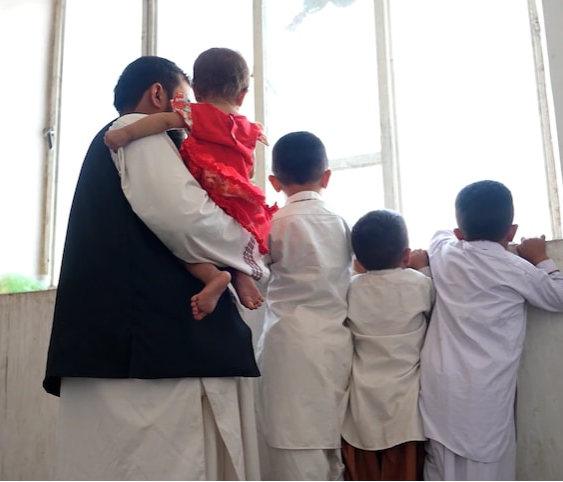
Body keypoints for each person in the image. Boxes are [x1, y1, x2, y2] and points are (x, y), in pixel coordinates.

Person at [42, 56, 264, 480]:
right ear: (158, 94)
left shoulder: (127, 140)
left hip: (130, 355)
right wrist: (253, 248)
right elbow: (185, 217)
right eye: (185, 94)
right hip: (150, 358)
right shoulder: (135, 136)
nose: (191, 108)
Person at [419, 180, 563, 481]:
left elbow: (437, 236)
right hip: (483, 405)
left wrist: (455, 236)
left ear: (459, 233)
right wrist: (540, 256)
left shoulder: (447, 253)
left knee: (438, 470)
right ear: (512, 232)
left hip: (438, 398)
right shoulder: (515, 268)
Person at [104, 47, 275, 320]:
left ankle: (221, 274)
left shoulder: (191, 118)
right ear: (158, 94)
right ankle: (239, 272)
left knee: (187, 252)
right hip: (240, 199)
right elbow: (184, 220)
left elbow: (182, 226)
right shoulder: (247, 128)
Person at [255, 131, 353, 480]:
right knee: (333, 455)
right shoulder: (342, 224)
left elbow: (255, 272)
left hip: (287, 350)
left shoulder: (273, 224)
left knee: (290, 454)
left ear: (273, 181)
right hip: (335, 349)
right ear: (326, 177)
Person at [341, 209, 434, 481]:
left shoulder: (350, 289)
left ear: (357, 260)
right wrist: (423, 267)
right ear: (406, 255)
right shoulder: (420, 284)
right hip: (406, 415)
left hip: (360, 414)